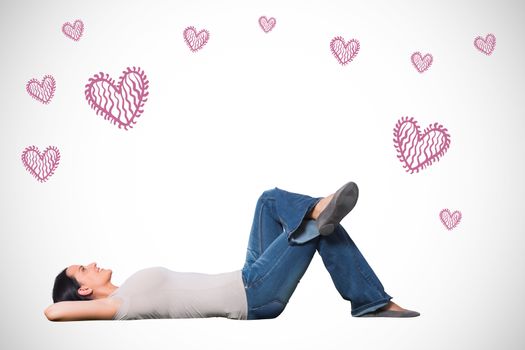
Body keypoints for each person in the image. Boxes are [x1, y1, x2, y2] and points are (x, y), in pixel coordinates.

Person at [44, 182, 420, 321]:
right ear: (83, 290)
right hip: (254, 296)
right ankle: (370, 299)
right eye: (82, 269)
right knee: (314, 228)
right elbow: (53, 311)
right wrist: (73, 305)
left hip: (247, 276)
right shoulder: (117, 307)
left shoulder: (124, 293)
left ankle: (319, 209)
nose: (91, 263)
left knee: (270, 200)